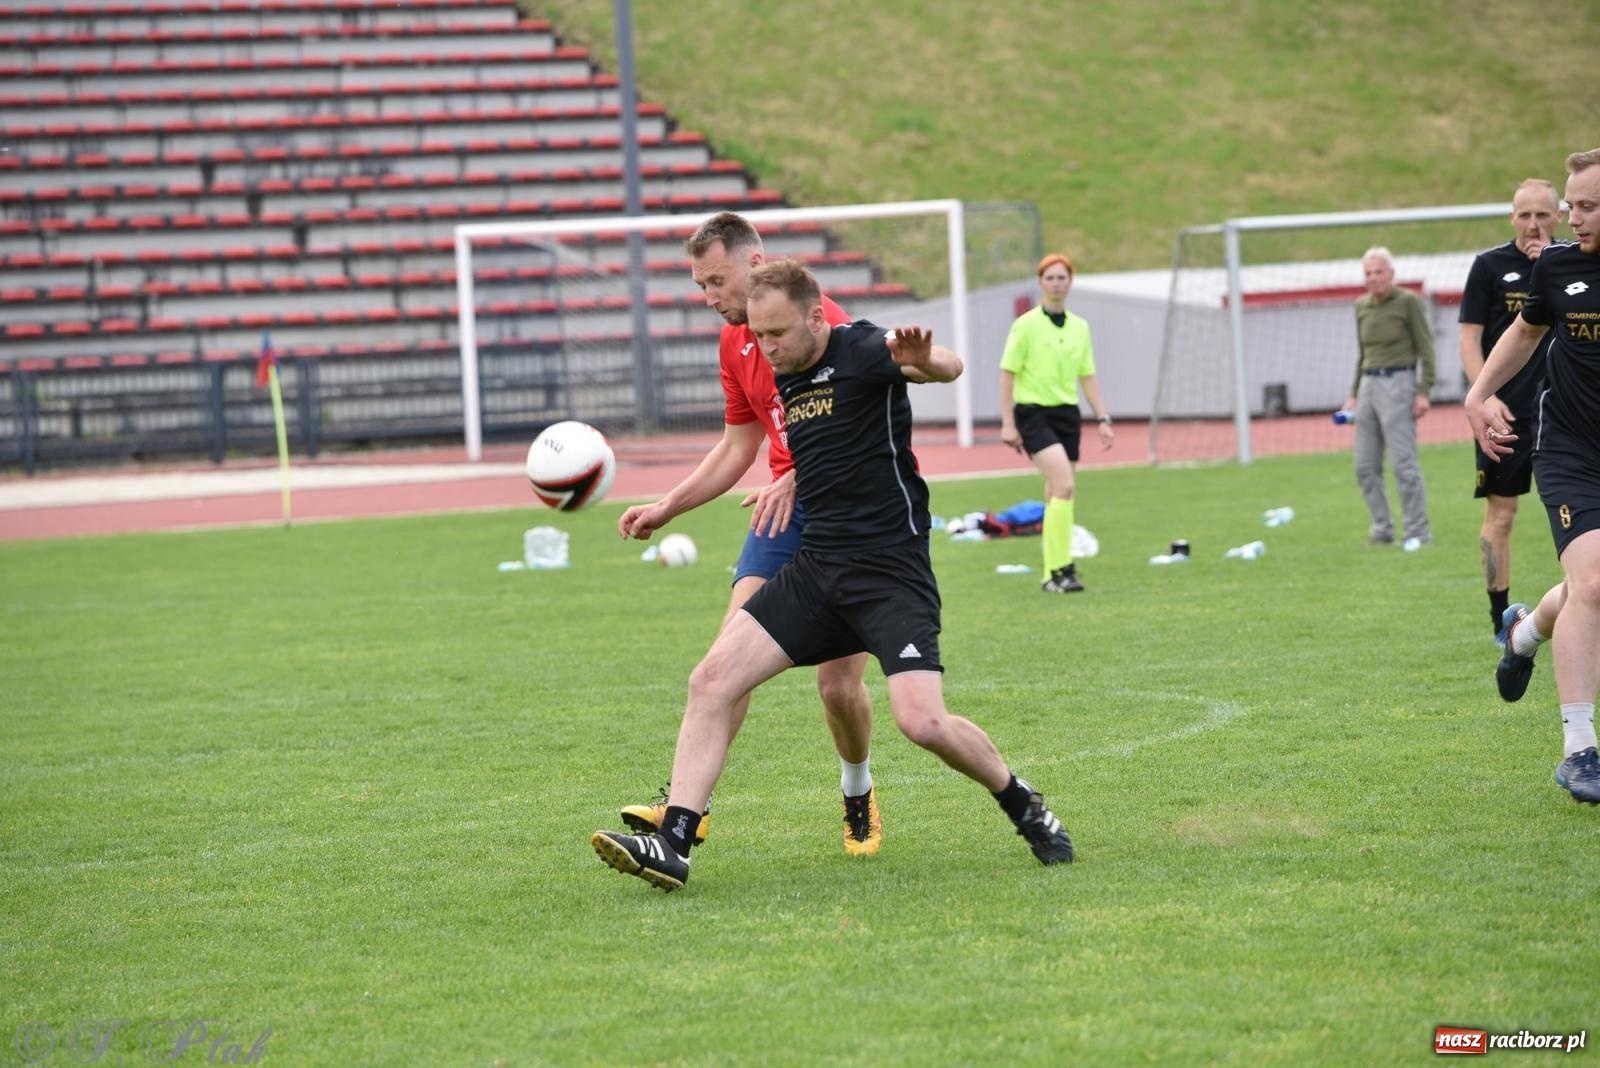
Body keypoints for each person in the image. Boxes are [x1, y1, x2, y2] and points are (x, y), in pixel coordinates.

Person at [592, 259, 1075, 891]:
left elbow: (947, 368)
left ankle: (1022, 802)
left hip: (889, 575)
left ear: (817, 318)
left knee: (921, 722)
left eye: (778, 335)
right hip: (818, 571)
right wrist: (788, 479)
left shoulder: (864, 348)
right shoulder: (781, 366)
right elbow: (821, 441)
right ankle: (674, 842)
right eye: (759, 337)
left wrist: (925, 359)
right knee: (710, 680)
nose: (766, 349)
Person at [615, 212, 883, 856]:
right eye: (700, 285)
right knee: (721, 668)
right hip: (778, 516)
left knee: (838, 686)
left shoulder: (827, 325)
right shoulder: (735, 342)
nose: (709, 298)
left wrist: (803, 474)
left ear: (756, 262)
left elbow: (870, 430)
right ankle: (686, 811)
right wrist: (670, 505)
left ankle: (857, 790)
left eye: (716, 280)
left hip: (847, 516)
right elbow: (740, 443)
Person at [1467, 147, 1600, 805]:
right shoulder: (1559, 266)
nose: (1572, 219)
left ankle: (1524, 634)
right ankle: (1580, 750)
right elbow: (1524, 332)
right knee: (1597, 579)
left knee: (1584, 589)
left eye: (1587, 206)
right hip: (1572, 449)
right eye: (1572, 205)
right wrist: (1478, 394)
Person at [1459, 180, 1562, 640]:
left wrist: (1551, 269)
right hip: (1506, 415)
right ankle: (1501, 617)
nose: (1534, 225)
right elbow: (1468, 338)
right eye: (1525, 215)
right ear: (1511, 217)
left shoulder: (1577, 263)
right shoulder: (1489, 267)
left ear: (1559, 215)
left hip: (1567, 412)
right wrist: (1485, 394)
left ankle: (1580, 604)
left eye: (1543, 215)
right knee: (1501, 517)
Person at [998, 253, 1114, 593]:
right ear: (1040, 283)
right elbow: (1007, 374)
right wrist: (1008, 422)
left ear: (1070, 282)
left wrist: (1103, 418)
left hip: (1067, 414)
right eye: (1050, 278)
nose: (1056, 283)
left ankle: (1053, 575)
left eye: (1062, 277)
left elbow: (1088, 376)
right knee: (1064, 487)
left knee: (1056, 494)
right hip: (1032, 413)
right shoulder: (1026, 324)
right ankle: (1063, 567)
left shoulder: (1080, 326)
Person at [1339, 247, 1435, 546]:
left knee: (1403, 464)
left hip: (1399, 383)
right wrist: (1353, 395)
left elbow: (1426, 348)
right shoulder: (1361, 306)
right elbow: (1362, 354)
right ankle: (1382, 528)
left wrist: (1423, 390)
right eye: (1368, 273)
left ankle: (1418, 530)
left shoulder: (1408, 302)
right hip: (1368, 384)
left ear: (1391, 274)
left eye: (1379, 271)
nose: (1374, 278)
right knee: (1364, 466)